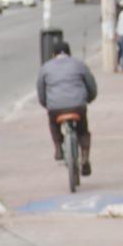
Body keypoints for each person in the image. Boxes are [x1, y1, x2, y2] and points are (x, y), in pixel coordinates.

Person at [36, 41, 97, 175]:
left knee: (53, 123)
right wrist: (89, 99)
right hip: (78, 106)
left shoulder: (45, 67)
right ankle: (85, 156)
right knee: (83, 130)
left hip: (55, 108)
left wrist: (47, 104)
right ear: (69, 53)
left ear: (53, 54)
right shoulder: (79, 64)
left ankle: (58, 147)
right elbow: (91, 85)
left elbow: (41, 91)